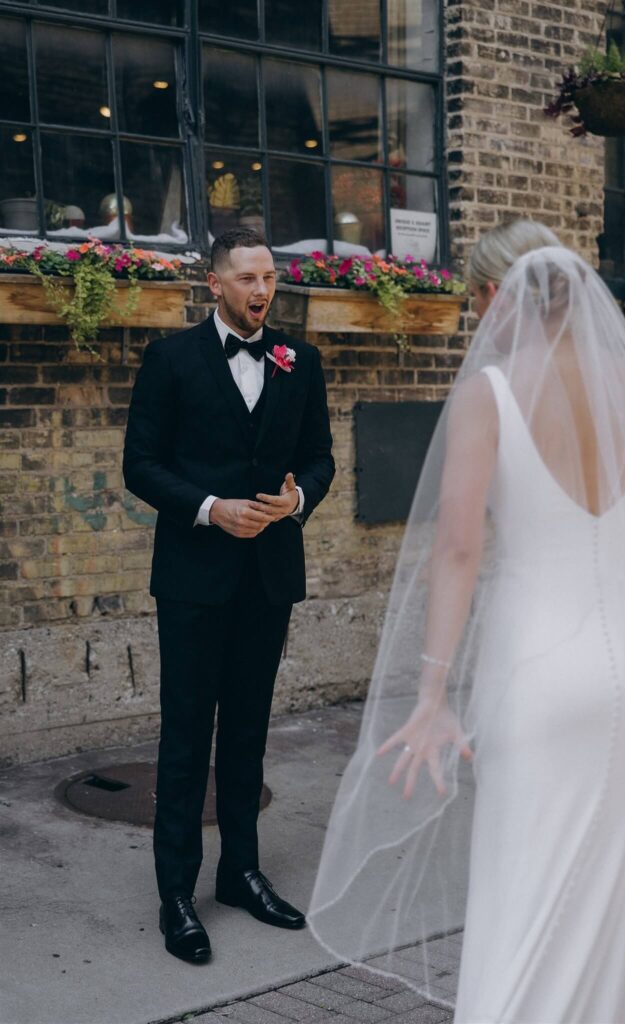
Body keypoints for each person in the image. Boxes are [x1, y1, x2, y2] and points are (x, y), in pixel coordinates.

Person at [308, 221, 625, 1023]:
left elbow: (455, 550)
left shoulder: (492, 393)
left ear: (493, 296)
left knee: (528, 890)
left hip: (539, 677)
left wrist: (432, 693)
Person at [123, 228, 335, 964]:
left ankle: (241, 872)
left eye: (270, 277)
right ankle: (176, 894)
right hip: (192, 578)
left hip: (268, 574)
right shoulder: (171, 358)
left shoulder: (298, 361)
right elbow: (140, 465)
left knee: (247, 732)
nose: (261, 290)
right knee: (186, 738)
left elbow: (320, 455)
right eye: (246, 278)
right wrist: (213, 508)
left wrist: (297, 496)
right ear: (214, 283)